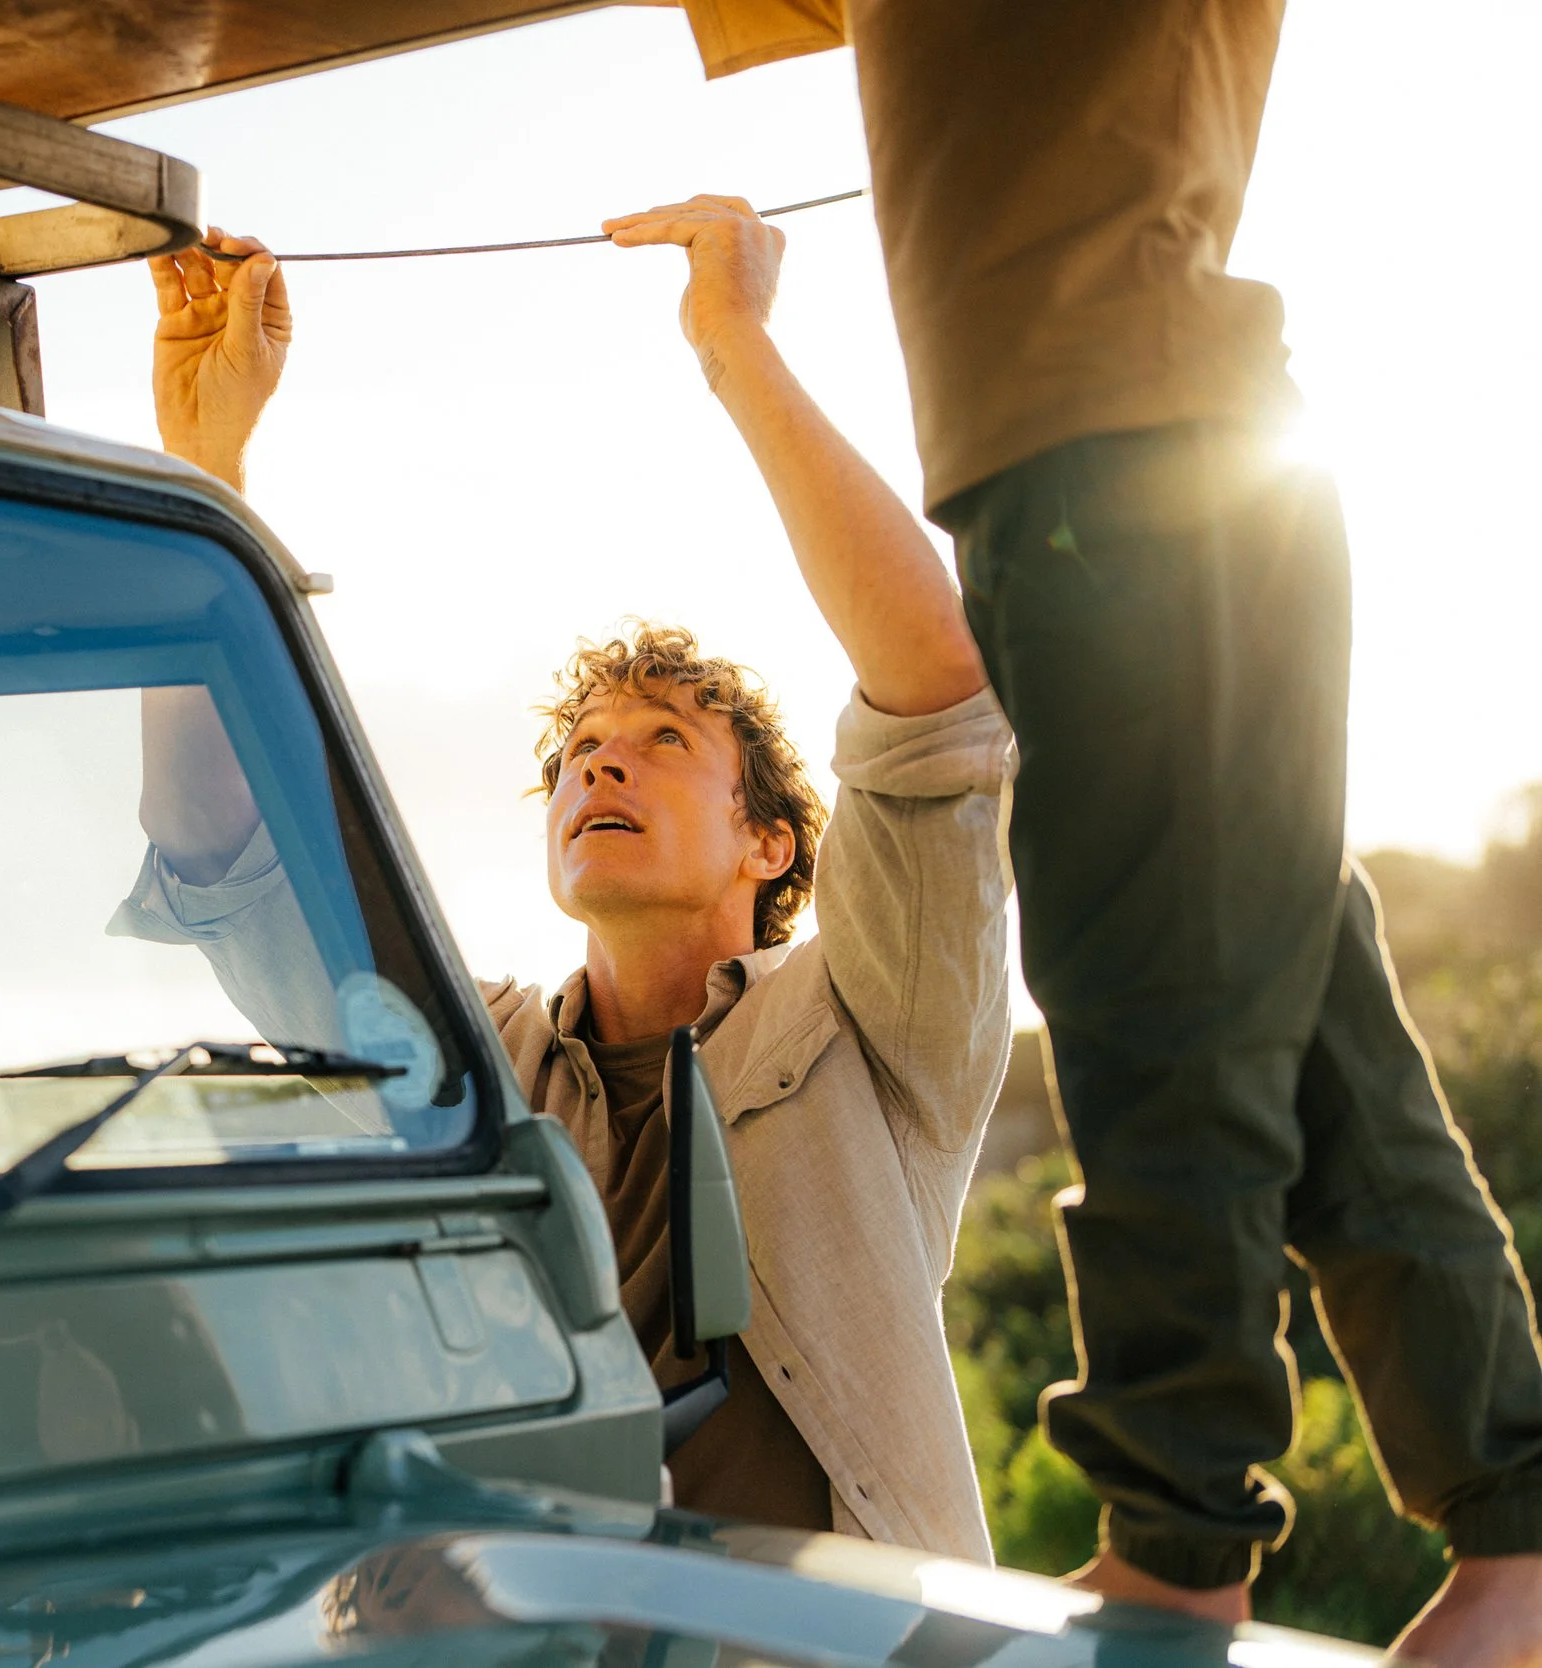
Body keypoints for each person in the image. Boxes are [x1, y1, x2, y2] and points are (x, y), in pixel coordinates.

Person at [659, 0, 1542, 1651]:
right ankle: (1515, 1527)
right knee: (1299, 1004)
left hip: (1125, 467)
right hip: (1105, 462)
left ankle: (1179, 1538)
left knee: (1155, 1003)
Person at [123, 204, 1013, 1557]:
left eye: (663, 744)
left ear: (773, 843)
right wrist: (207, 468)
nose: (604, 770)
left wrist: (734, 344)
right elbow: (212, 844)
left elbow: (941, 690)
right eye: (582, 754)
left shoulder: (875, 1026)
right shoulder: (472, 1059)